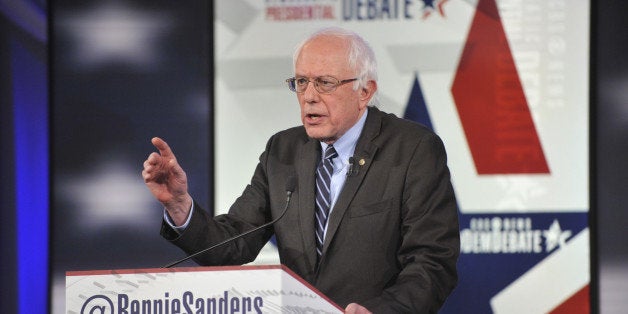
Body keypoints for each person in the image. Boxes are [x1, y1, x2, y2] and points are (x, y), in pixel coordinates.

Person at [142, 27, 459, 313]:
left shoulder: (413, 149)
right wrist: (179, 205)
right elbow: (234, 244)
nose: (308, 97)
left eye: (325, 83)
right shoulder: (282, 151)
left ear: (365, 91)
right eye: (301, 82)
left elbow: (431, 263)